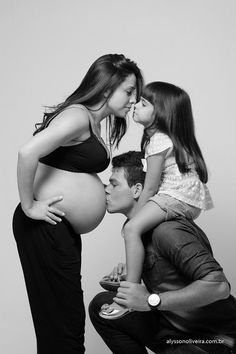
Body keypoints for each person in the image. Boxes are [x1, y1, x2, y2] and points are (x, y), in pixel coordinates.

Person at [12, 54, 143, 354]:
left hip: (58, 230)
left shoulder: (91, 121)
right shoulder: (78, 116)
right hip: (44, 227)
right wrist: (30, 206)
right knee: (61, 324)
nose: (134, 99)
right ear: (107, 88)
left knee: (64, 322)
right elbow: (26, 153)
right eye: (129, 90)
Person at [89, 151, 236, 354]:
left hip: (215, 340)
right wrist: (131, 277)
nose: (106, 190)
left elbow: (219, 286)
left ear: (137, 189)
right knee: (101, 306)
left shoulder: (167, 231)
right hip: (172, 334)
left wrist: (150, 301)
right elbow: (164, 272)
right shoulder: (138, 233)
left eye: (114, 184)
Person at [100, 82, 214, 319]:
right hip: (186, 198)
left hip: (176, 196)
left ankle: (128, 298)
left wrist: (135, 220)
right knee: (137, 232)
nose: (134, 106)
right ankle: (130, 279)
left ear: (161, 113)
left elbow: (151, 186)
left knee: (131, 229)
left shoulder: (159, 141)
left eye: (143, 103)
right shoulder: (164, 139)